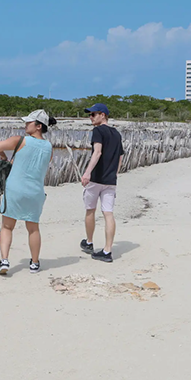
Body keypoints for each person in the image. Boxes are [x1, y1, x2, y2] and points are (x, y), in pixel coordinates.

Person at [0, 109, 56, 275]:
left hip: (15, 189)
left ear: (39, 126)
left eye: (29, 122)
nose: (25, 124)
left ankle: (4, 260)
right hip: (35, 191)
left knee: (7, 226)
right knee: (33, 228)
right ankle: (34, 263)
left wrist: (4, 157)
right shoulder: (49, 147)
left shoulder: (20, 140)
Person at [79, 103, 124, 263]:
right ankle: (107, 251)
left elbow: (97, 152)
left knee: (90, 210)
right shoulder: (116, 134)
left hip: (96, 178)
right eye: (90, 115)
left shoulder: (98, 131)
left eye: (93, 114)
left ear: (102, 115)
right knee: (108, 213)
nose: (90, 117)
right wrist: (115, 174)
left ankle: (89, 242)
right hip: (110, 180)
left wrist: (87, 172)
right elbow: (119, 157)